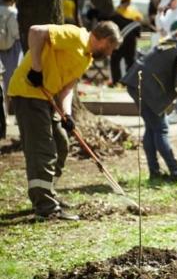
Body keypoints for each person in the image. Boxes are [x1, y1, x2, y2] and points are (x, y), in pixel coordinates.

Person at [8, 21, 121, 220]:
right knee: (42, 149)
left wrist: (67, 114)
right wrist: (36, 68)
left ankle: (48, 195)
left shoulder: (86, 58)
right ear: (104, 40)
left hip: (47, 99)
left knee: (61, 144)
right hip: (28, 93)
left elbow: (68, 88)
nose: (110, 54)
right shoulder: (75, 36)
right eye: (111, 48)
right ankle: (45, 208)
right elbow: (35, 31)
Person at [122, 24, 177, 180]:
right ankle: (176, 172)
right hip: (146, 87)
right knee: (161, 129)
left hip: (135, 80)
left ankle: (154, 172)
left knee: (151, 129)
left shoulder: (174, 40)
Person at [0, 0, 22, 137]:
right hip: (12, 50)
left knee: (1, 86)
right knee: (13, 83)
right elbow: (16, 33)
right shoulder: (14, 13)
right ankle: (18, 118)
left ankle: (4, 116)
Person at [110, 0, 143, 85]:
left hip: (122, 41)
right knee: (126, 61)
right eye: (126, 1)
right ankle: (124, 82)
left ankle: (123, 82)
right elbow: (138, 27)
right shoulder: (134, 13)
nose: (127, 2)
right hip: (126, 41)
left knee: (125, 61)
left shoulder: (116, 13)